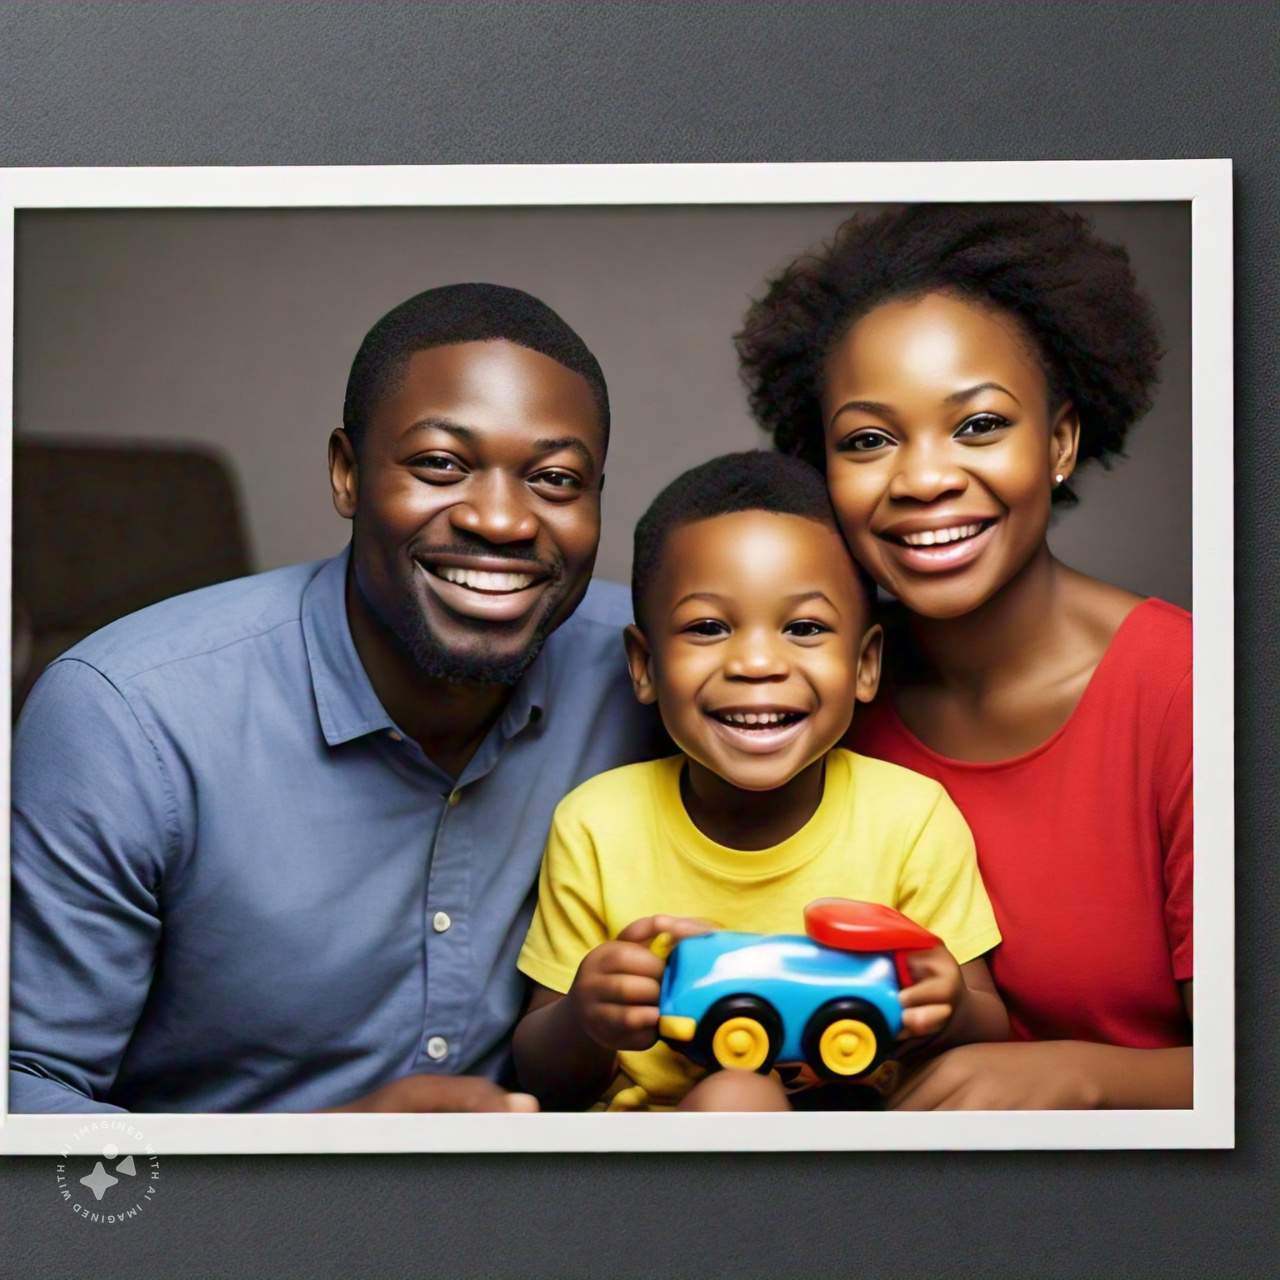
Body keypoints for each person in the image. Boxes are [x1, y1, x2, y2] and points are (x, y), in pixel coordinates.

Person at [9, 283, 666, 1114]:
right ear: (348, 473)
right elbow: (25, 1096)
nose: (502, 519)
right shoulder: (128, 719)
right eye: (440, 464)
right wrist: (334, 1151)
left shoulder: (663, 672)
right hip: (223, 1240)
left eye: (556, 479)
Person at [736, 204, 1192, 1109]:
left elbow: (1254, 1075)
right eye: (868, 440)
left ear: (1059, 441)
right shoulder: (807, 697)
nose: (924, 478)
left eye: (978, 425)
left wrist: (1082, 1078)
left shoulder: (1189, 691)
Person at [512, 452, 1007, 1112]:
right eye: (708, 628)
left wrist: (952, 1010)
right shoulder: (598, 823)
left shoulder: (911, 818)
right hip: (663, 1176)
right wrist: (584, 1017)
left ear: (865, 666)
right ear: (644, 665)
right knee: (736, 1097)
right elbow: (543, 1078)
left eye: (803, 628)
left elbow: (990, 1034)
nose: (755, 663)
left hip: (866, 1178)